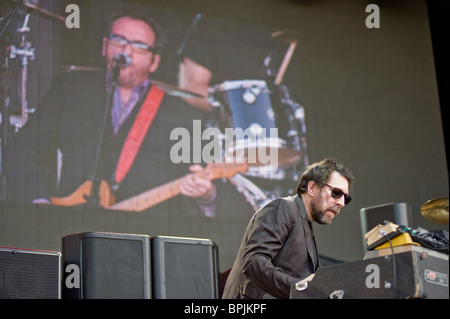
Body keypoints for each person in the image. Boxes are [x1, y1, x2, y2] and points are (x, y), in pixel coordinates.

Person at [3, 13, 216, 215]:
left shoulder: (181, 113)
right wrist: (39, 203)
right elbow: (22, 151)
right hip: (73, 226)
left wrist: (207, 195)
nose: (126, 52)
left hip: (146, 235)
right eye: (118, 40)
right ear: (105, 47)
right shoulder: (71, 89)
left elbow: (202, 181)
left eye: (139, 46)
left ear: (154, 62)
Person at [222, 158, 354, 299]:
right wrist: (298, 287)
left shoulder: (306, 226)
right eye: (336, 193)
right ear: (312, 188)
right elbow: (253, 260)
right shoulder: (283, 207)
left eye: (346, 198)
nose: (341, 203)